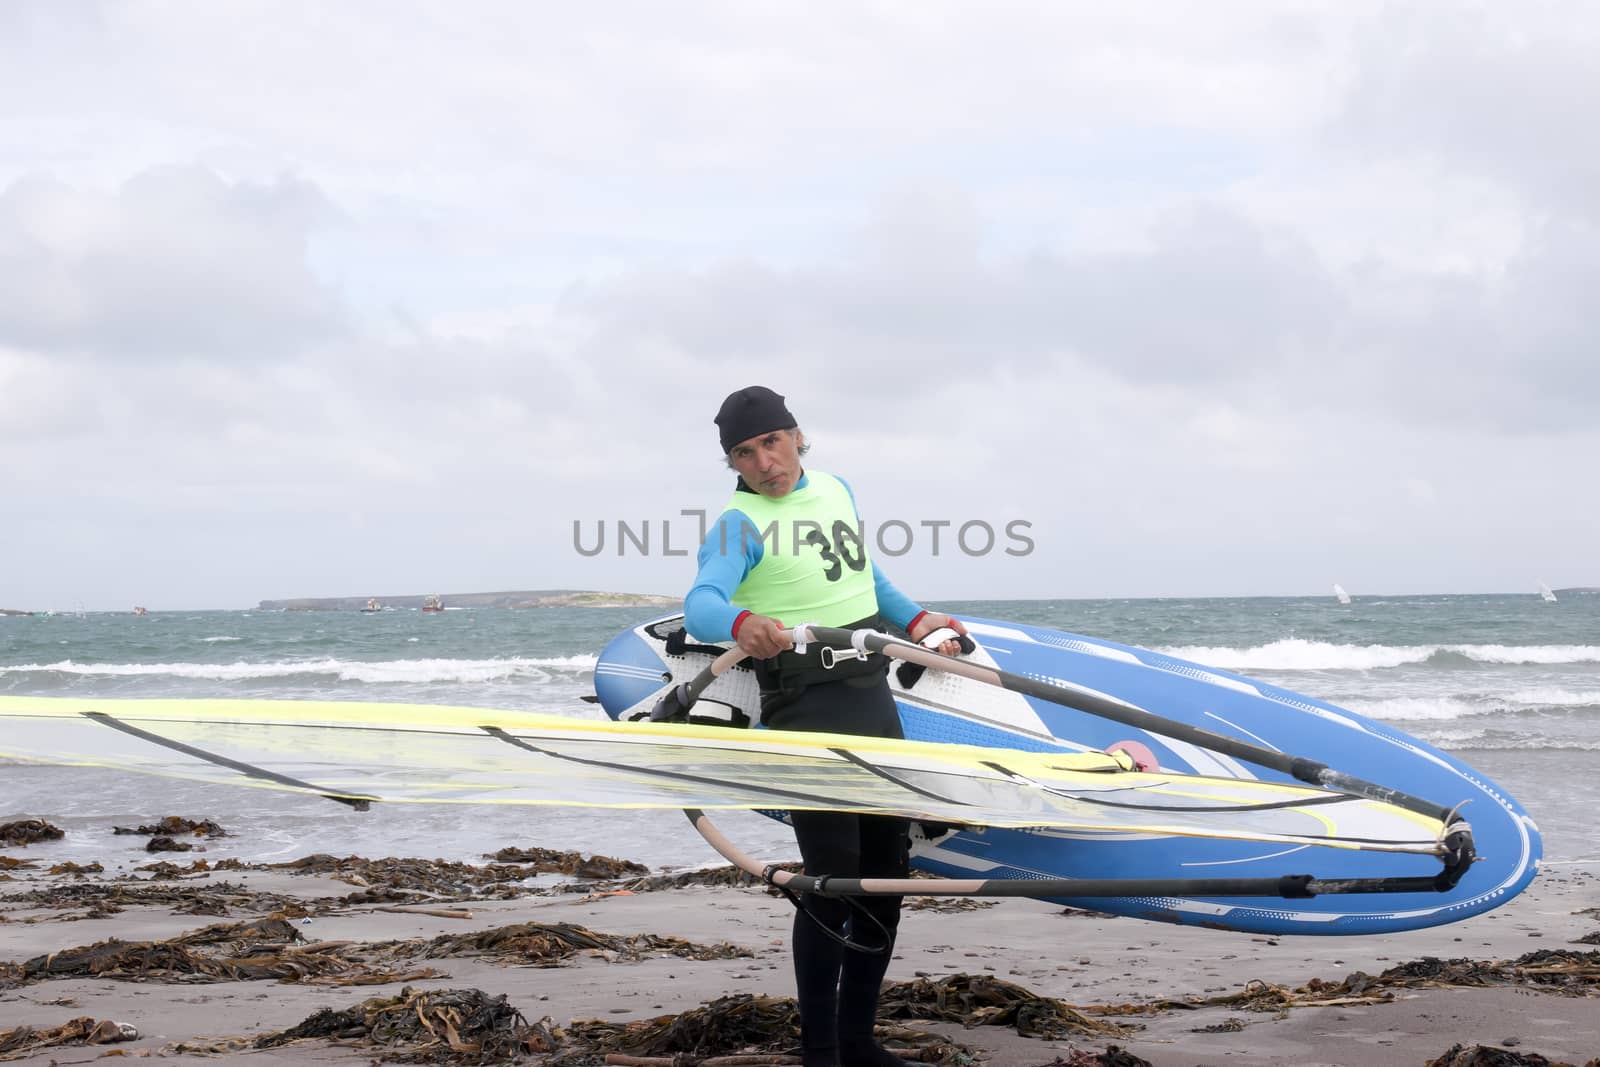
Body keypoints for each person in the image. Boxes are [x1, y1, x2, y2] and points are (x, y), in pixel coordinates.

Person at [683, 386, 968, 1067]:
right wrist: (743, 624)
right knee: (831, 882)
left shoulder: (836, 489)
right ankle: (820, 1052)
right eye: (745, 454)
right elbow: (700, 605)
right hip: (804, 704)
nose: (765, 463)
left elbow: (865, 576)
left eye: (772, 443)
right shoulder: (736, 525)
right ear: (734, 465)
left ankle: (857, 1040)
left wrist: (920, 620)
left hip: (869, 695)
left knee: (886, 874)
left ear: (797, 435)